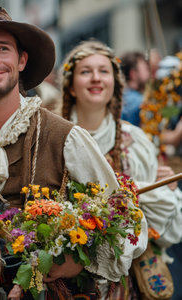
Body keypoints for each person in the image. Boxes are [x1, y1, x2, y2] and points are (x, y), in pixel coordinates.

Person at [0, 6, 147, 300]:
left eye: (3, 49)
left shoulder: (66, 138)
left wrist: (76, 261)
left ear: (21, 60)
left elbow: (127, 222)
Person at [60, 40, 182, 297]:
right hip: (67, 282)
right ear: (71, 86)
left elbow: (164, 231)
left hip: (129, 285)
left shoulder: (136, 141)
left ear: (114, 82)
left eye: (103, 71)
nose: (96, 78)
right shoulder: (55, 140)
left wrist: (165, 189)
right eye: (85, 71)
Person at [120, 51, 151, 126]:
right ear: (133, 74)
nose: (149, 74)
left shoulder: (123, 96)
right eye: (146, 69)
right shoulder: (140, 102)